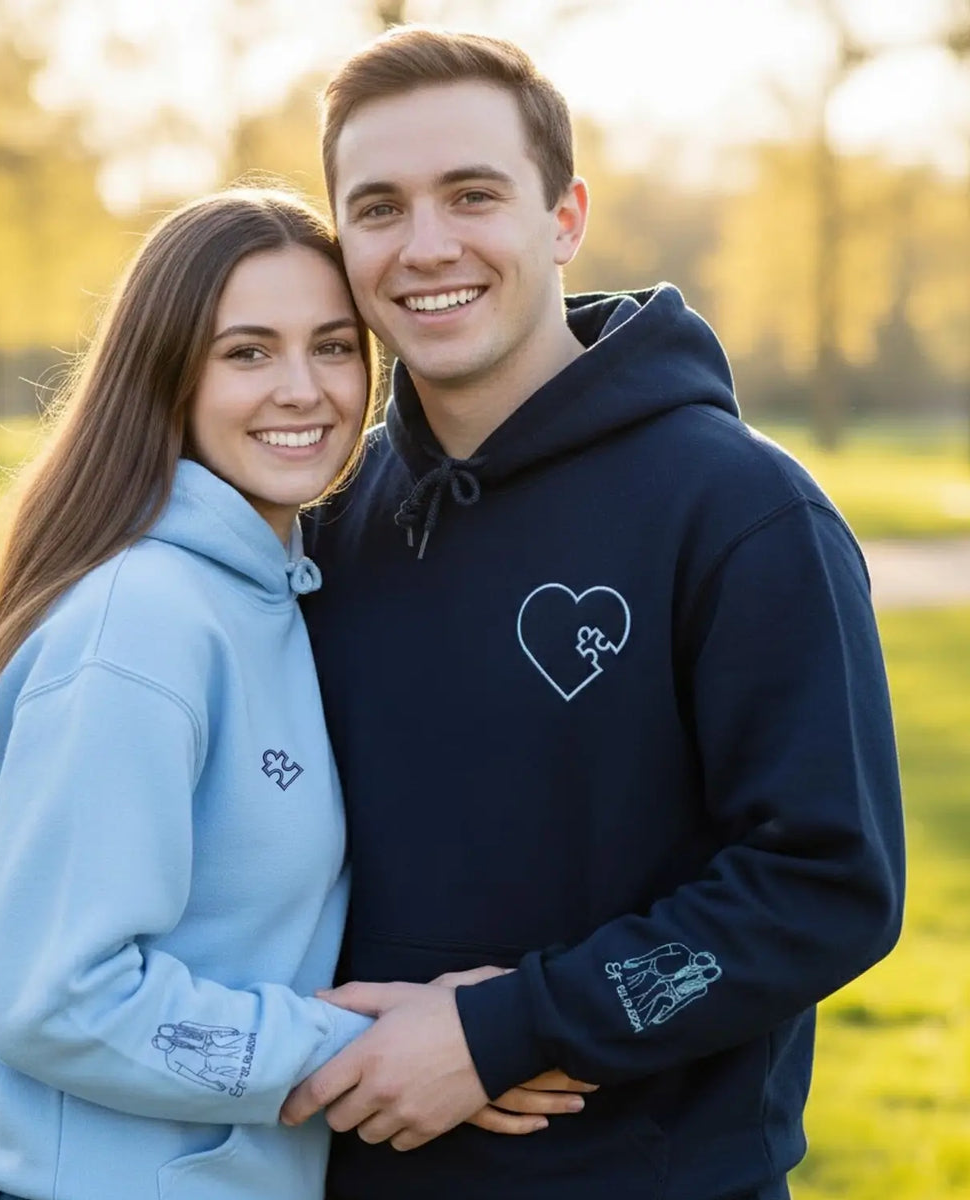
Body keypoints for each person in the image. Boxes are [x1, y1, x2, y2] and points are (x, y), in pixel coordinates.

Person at [286, 27, 906, 1200]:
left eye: (472, 194)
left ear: (565, 218)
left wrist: (507, 1032)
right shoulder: (323, 520)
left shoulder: (743, 512)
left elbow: (827, 884)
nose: (427, 247)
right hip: (346, 1170)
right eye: (378, 209)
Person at [0, 188, 568, 1200]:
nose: (305, 390)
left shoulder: (272, 588)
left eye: (333, 347)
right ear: (168, 378)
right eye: (247, 352)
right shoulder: (146, 618)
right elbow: (59, 997)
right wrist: (377, 1047)